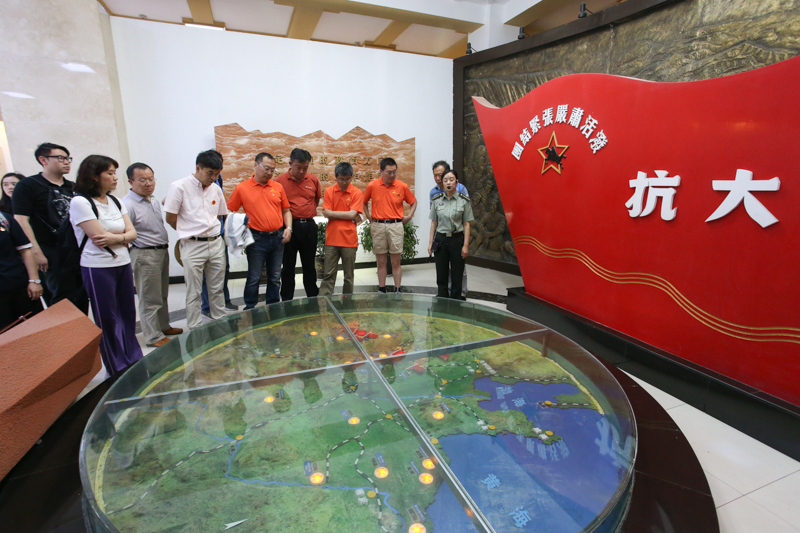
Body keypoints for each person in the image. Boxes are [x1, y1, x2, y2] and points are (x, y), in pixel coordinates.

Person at [69, 155, 143, 376]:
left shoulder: (115, 201)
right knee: (107, 317)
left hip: (122, 262)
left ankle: (133, 357)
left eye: (114, 172)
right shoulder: (81, 202)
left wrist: (117, 237)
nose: (115, 177)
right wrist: (122, 237)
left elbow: (133, 233)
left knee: (128, 312)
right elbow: (98, 238)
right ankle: (115, 364)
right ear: (94, 176)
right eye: (109, 173)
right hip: (97, 266)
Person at [164, 150, 228, 329]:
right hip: (192, 245)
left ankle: (221, 322)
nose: (213, 178)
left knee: (217, 288)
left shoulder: (216, 189)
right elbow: (171, 218)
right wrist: (189, 232)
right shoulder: (179, 187)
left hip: (215, 243)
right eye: (210, 173)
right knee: (194, 290)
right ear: (198, 168)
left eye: (217, 174)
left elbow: (220, 215)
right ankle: (195, 328)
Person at [122, 163, 183, 348]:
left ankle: (163, 326)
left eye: (151, 179)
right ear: (131, 182)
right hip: (144, 254)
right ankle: (153, 336)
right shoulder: (127, 205)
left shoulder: (153, 200)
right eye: (142, 180)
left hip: (161, 251)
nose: (148, 183)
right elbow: (125, 233)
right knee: (149, 298)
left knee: (162, 294)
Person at [12, 143, 76, 304]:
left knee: (79, 293)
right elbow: (21, 220)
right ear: (43, 160)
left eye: (68, 158)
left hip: (73, 249)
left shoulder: (72, 187)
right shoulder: (28, 185)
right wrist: (36, 252)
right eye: (60, 158)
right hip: (48, 248)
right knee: (58, 296)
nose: (66, 162)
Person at [227, 152, 291, 309]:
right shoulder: (242, 188)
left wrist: (288, 228)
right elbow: (230, 211)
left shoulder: (277, 187)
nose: (269, 172)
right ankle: (250, 307)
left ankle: (273, 307)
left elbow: (286, 210)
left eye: (272, 170)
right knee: (254, 277)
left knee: (275, 277)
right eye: (266, 168)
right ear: (256, 165)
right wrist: (239, 226)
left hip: (277, 237)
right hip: (256, 239)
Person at [362, 157, 417, 293]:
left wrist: (409, 216)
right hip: (378, 225)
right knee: (381, 261)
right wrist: (369, 217)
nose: (392, 175)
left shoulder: (402, 186)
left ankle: (398, 289)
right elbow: (364, 202)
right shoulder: (373, 185)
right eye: (389, 172)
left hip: (395, 226)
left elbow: (413, 202)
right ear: (381, 171)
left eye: (394, 172)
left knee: (395, 261)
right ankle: (382, 288)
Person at [274, 148, 321, 301]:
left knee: (309, 265)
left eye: (305, 168)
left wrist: (305, 213)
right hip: (289, 228)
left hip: (309, 226)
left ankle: (312, 298)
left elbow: (316, 200)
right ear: (290, 164)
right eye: (298, 167)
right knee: (288, 266)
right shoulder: (279, 181)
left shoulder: (313, 180)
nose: (302, 171)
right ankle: (287, 300)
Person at [201, 151, 237, 316]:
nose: (215, 175)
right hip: (203, 237)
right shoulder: (194, 184)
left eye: (218, 170)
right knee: (205, 274)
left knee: (223, 269)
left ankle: (224, 301)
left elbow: (221, 208)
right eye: (212, 171)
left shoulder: (218, 180)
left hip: (219, 233)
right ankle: (206, 307)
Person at [428, 169, 473, 300]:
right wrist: (430, 243)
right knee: (441, 271)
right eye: (445, 180)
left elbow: (466, 224)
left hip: (457, 239)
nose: (448, 183)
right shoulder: (437, 200)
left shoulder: (463, 201)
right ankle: (442, 297)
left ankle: (456, 298)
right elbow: (433, 223)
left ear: (456, 182)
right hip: (441, 239)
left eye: (451, 180)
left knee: (457, 272)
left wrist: (465, 245)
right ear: (442, 183)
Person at [319, 162, 363, 296]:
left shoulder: (357, 193)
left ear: (352, 177)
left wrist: (332, 213)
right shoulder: (329, 191)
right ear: (336, 177)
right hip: (332, 240)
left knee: (348, 276)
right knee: (328, 274)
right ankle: (324, 302)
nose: (344, 182)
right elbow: (327, 213)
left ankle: (348, 303)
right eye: (341, 179)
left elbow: (351, 214)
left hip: (349, 240)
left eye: (348, 179)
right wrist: (348, 214)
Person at [0, 211, 43, 330]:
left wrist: (34, 281)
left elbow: (25, 250)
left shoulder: (4, 219)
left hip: (19, 285)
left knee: (35, 328)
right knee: (6, 333)